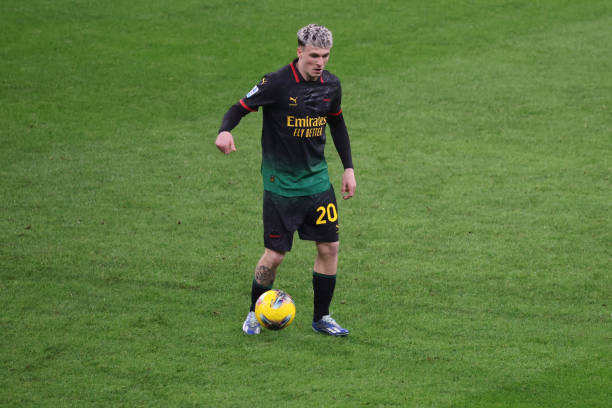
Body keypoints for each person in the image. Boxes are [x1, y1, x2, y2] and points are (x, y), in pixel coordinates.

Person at [215, 24, 356, 336]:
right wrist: (225, 130)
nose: (320, 62)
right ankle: (254, 313)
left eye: (326, 56)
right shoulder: (276, 83)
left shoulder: (331, 85)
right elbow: (239, 107)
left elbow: (337, 124)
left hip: (318, 184)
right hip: (282, 187)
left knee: (330, 247)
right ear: (299, 51)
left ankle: (322, 318)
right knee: (275, 255)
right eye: (314, 55)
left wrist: (348, 168)